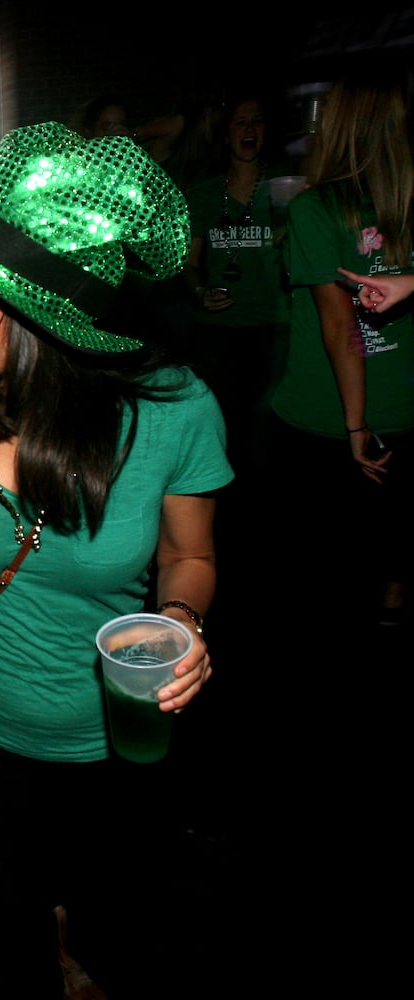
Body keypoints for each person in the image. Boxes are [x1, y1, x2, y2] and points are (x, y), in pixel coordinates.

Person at [0, 122, 230, 996]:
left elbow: (190, 557)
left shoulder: (174, 413)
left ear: (35, 311)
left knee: (115, 925)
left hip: (104, 747)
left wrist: (181, 624)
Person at [266, 73, 412, 627]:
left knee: (324, 569)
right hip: (404, 404)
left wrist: (356, 428)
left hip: (324, 418)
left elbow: (338, 324)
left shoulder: (317, 207)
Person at [180, 91, 294, 479]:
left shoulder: (286, 187)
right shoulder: (204, 195)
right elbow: (190, 264)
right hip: (219, 331)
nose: (249, 130)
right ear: (226, 133)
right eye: (240, 122)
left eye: (257, 121)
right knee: (222, 426)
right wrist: (198, 291)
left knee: (267, 426)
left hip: (273, 325)